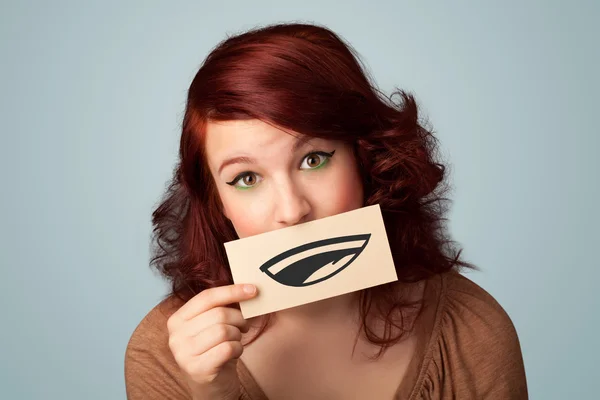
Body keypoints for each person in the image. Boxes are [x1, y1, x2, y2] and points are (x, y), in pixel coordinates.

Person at [124, 22, 528, 399]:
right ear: (218, 202)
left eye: (314, 159)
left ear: (366, 161)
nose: (292, 210)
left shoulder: (472, 330)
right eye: (247, 178)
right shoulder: (162, 355)